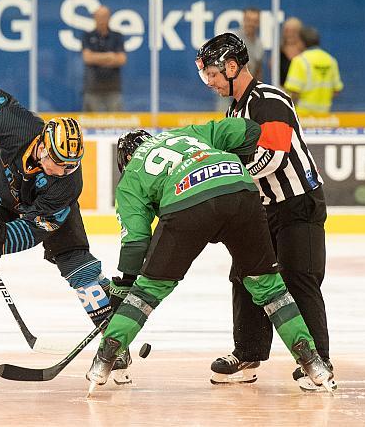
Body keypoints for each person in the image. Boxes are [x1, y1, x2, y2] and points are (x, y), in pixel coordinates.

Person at [85, 119, 335, 395]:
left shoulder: (131, 175)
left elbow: (135, 242)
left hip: (187, 202)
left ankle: (104, 361)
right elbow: (250, 131)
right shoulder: (186, 133)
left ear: (126, 159)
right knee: (270, 287)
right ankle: (313, 363)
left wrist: (125, 288)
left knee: (148, 293)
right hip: (240, 187)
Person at [0, 82, 131, 386]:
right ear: (43, 146)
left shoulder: (66, 184)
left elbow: (36, 228)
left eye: (71, 166)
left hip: (40, 212)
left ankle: (114, 344)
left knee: (80, 267)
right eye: (58, 163)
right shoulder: (18, 126)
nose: (63, 171)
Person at [196, 33, 333, 391]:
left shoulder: (268, 100)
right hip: (265, 207)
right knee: (245, 275)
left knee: (299, 278)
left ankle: (319, 361)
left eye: (211, 74)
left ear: (231, 66)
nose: (209, 82)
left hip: (299, 204)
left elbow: (272, 157)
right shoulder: (234, 110)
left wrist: (227, 179)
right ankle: (248, 354)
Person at [284, 26, 343, 115]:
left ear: (302, 42)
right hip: (324, 116)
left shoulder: (300, 61)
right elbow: (337, 90)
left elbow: (293, 91)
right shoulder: (331, 60)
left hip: (303, 116)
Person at [216, 7, 265, 112]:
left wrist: (258, 89)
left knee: (244, 119)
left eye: (255, 21)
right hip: (228, 87)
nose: (251, 24)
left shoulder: (259, 44)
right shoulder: (232, 38)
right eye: (248, 20)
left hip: (246, 90)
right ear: (243, 20)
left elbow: (258, 70)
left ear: (259, 23)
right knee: (224, 118)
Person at [81, 5, 127, 112]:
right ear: (94, 18)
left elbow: (121, 59)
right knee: (90, 124)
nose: (101, 20)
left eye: (104, 16)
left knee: (117, 125)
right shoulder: (87, 36)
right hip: (92, 87)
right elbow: (87, 58)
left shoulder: (117, 36)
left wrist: (96, 58)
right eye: (98, 17)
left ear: (109, 18)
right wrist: (110, 57)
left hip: (113, 88)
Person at [278, 17, 304, 86]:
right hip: (283, 91)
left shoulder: (305, 53)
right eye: (287, 31)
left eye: (293, 31)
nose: (290, 34)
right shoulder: (278, 53)